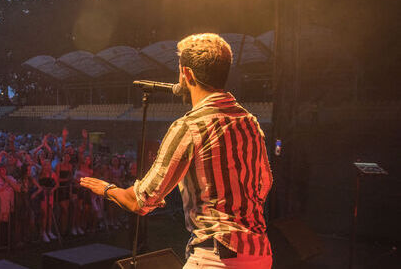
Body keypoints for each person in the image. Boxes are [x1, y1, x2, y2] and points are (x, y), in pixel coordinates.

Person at [80, 33, 273, 269]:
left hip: (216, 257)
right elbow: (264, 184)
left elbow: (140, 202)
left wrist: (107, 189)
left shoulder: (189, 126)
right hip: (259, 255)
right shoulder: (250, 122)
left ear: (186, 74)